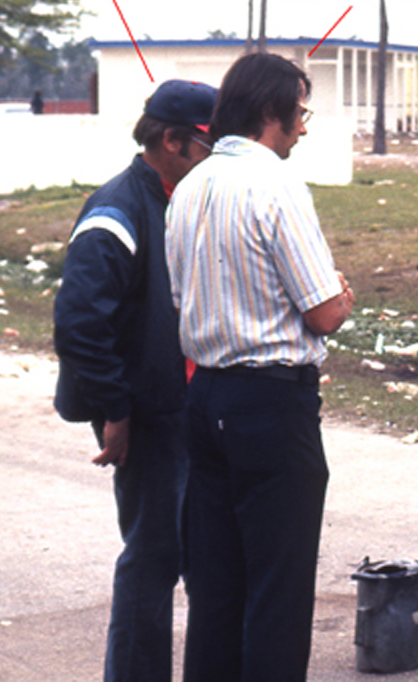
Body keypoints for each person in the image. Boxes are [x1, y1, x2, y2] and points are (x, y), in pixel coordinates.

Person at [165, 52, 354, 682]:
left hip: (208, 397)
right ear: (271, 112)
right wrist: (342, 294)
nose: (304, 127)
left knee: (218, 587)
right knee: (278, 587)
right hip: (272, 405)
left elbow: (180, 300)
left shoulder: (188, 188)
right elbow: (324, 313)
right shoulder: (276, 185)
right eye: (300, 113)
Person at [52, 78, 217, 682]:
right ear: (171, 140)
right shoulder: (117, 210)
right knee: (152, 559)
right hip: (148, 414)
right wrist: (116, 411)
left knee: (194, 554)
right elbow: (77, 322)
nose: (214, 159)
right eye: (207, 145)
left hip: (188, 403)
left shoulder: (180, 198)